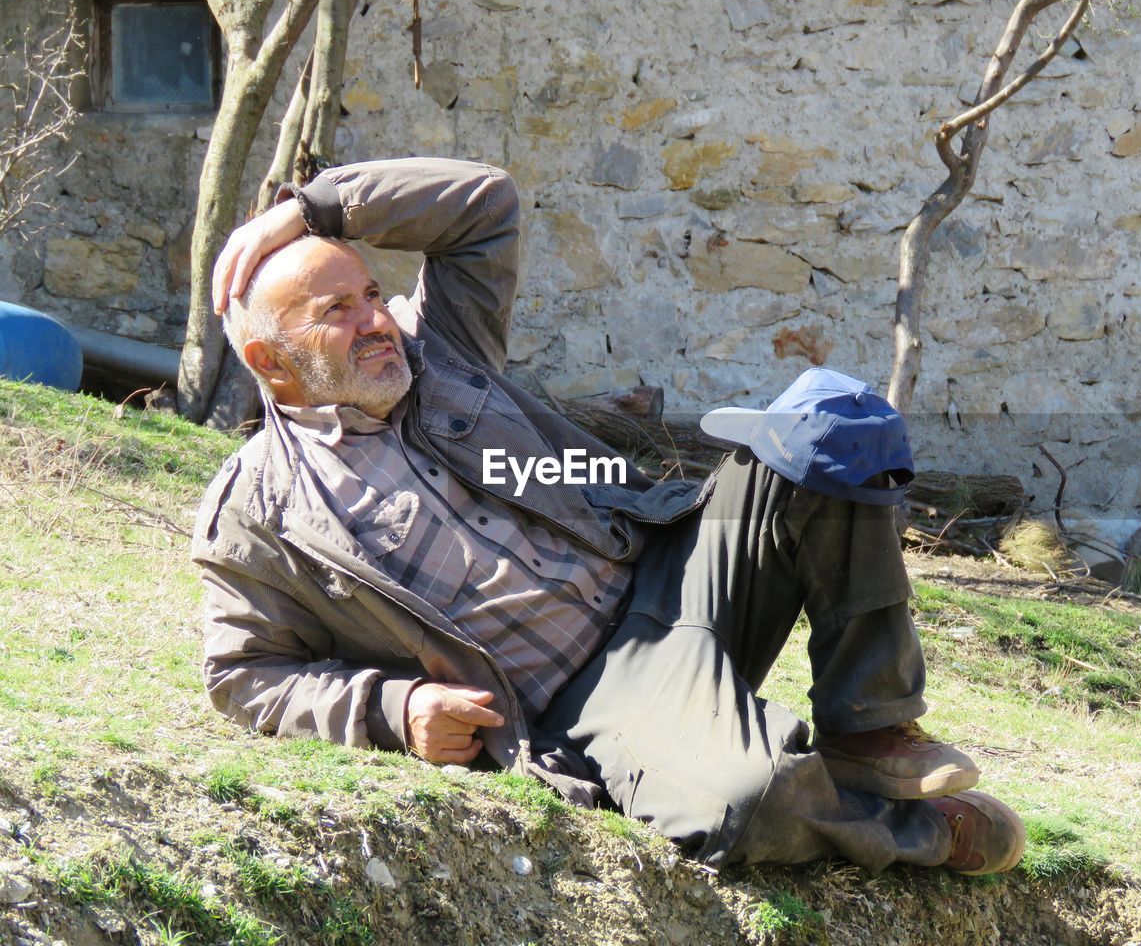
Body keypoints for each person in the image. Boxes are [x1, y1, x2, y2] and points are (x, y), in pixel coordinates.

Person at [193, 156, 1025, 875]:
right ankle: (917, 834)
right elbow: (243, 673)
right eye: (336, 312)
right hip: (595, 700)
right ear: (271, 361)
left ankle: (870, 729)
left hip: (677, 570)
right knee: (748, 798)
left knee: (832, 423)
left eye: (371, 291)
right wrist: (392, 712)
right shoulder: (259, 510)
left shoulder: (438, 347)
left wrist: (311, 209)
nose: (377, 319)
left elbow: (484, 204)